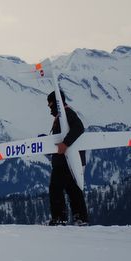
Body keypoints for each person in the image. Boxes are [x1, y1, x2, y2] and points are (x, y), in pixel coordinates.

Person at [47, 90, 89, 226]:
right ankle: (80, 218)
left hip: (65, 161)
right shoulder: (63, 115)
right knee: (73, 188)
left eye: (50, 105)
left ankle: (59, 218)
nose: (49, 108)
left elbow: (79, 127)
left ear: (56, 103)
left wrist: (65, 144)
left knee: (56, 188)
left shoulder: (66, 114)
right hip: (67, 160)